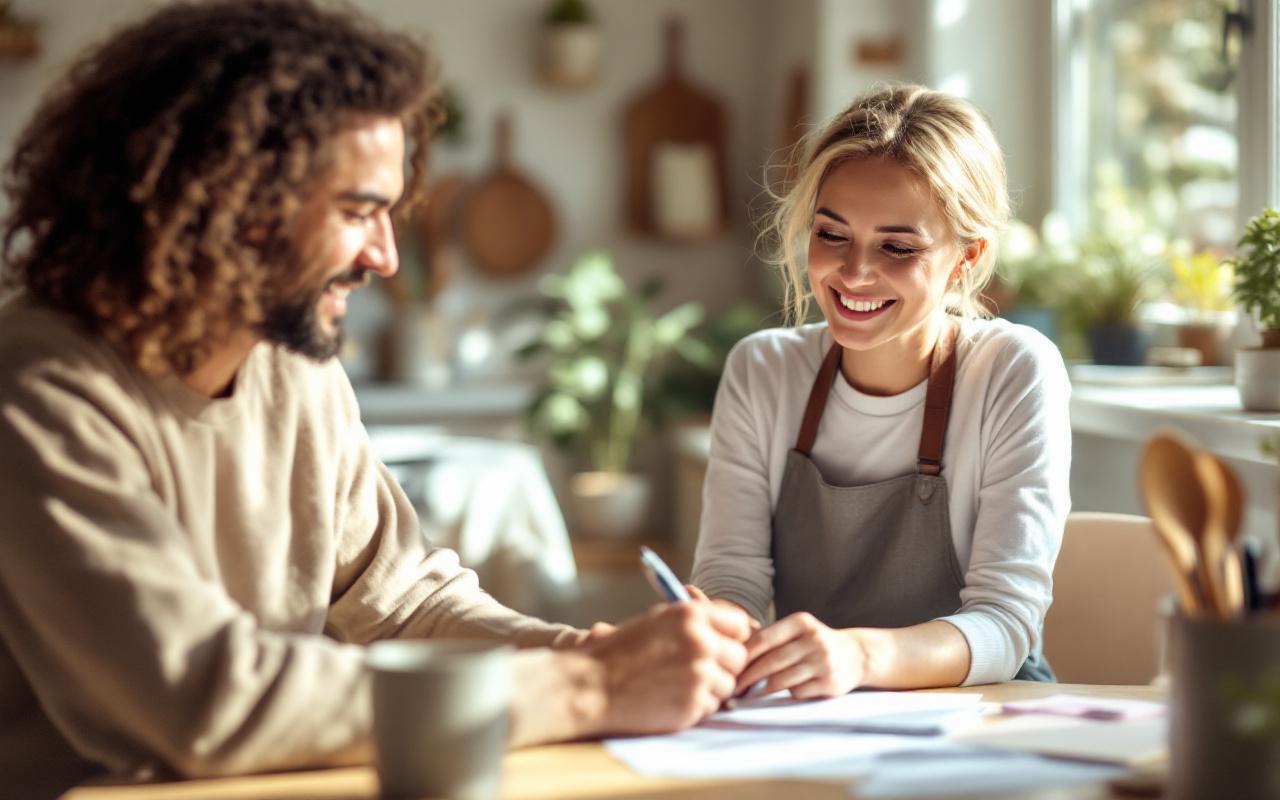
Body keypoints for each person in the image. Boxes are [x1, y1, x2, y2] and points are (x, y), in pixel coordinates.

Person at [0, 1, 750, 793]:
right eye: (359, 212)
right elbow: (201, 698)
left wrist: (579, 652)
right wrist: (594, 688)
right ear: (232, 205)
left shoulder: (290, 360)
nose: (386, 257)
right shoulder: (40, 389)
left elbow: (399, 604)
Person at [690, 85, 1070, 699]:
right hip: (812, 712)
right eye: (831, 234)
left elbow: (1005, 624)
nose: (855, 272)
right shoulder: (762, 370)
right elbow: (731, 578)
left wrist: (858, 654)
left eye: (897, 247)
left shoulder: (1012, 371)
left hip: (983, 718)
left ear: (965, 258)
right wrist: (714, 629)